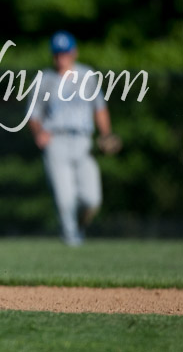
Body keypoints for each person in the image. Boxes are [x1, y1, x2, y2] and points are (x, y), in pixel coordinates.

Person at [28, 30, 116, 246]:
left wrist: (106, 134)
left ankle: (78, 227)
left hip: (83, 141)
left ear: (74, 52)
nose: (61, 58)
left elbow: (100, 108)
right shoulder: (45, 80)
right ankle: (71, 239)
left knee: (92, 199)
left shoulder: (87, 75)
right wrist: (39, 132)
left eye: (65, 53)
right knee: (65, 198)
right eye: (57, 54)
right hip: (56, 141)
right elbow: (33, 114)